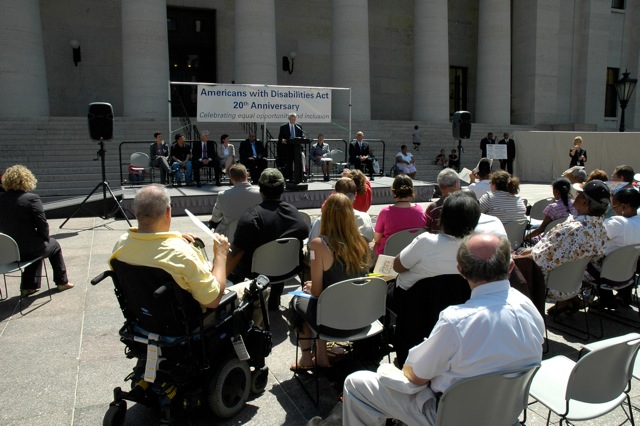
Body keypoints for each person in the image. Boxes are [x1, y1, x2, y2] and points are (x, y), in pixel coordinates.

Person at [342, 233, 545, 426]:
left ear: (461, 270)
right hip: (506, 412)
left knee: (356, 383)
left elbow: (415, 375)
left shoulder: (456, 320)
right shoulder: (528, 308)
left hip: (450, 416)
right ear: (510, 267)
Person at [291, 193, 371, 370]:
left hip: (333, 322)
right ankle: (321, 356)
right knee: (322, 302)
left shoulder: (319, 245)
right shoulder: (363, 242)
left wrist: (312, 287)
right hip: (362, 318)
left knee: (297, 300)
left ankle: (306, 358)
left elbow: (317, 292)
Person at [516, 180, 610, 312]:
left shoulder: (570, 230)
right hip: (576, 283)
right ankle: (568, 302)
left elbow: (540, 260)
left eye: (579, 193)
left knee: (512, 266)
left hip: (553, 286)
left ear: (585, 202)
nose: (575, 195)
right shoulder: (601, 227)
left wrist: (516, 256)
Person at [226, 168, 310, 309]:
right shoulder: (294, 213)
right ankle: (274, 296)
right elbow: (304, 232)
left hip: (255, 272)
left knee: (235, 260)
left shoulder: (251, 217)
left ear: (260, 189)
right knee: (279, 256)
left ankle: (236, 302)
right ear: (282, 188)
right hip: (287, 269)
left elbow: (235, 252)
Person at [0, 165, 74, 296]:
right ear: (27, 180)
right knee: (53, 245)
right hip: (28, 251)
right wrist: (44, 239)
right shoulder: (31, 199)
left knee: (33, 245)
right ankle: (62, 282)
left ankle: (29, 286)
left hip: (6, 253)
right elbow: (42, 225)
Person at [394, 192, 480, 291]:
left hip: (413, 301)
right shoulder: (480, 247)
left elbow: (397, 267)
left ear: (443, 217)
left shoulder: (426, 241)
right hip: (460, 301)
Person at [307, 177, 374, 246]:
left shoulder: (322, 221)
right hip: (358, 255)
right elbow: (370, 239)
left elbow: (311, 247)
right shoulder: (365, 218)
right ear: (355, 194)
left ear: (334, 194)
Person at [373, 175, 426, 256]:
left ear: (393, 190)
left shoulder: (385, 212)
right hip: (412, 255)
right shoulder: (420, 210)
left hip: (389, 254)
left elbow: (377, 239)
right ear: (411, 190)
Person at [208, 164, 262, 242]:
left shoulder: (223, 195)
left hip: (231, 238)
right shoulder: (260, 193)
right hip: (254, 237)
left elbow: (215, 218)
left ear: (231, 178)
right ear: (247, 175)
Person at [524, 177, 577, 242]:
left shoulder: (553, 208)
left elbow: (541, 229)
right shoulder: (576, 204)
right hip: (571, 238)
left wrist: (525, 238)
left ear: (556, 191)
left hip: (552, 240)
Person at [424, 168, 460, 233]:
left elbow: (426, 230)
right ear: (456, 184)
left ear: (439, 186)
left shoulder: (432, 208)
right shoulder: (465, 206)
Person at [277, 112, 304, 181]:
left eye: (294, 119)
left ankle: (298, 177)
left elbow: (302, 135)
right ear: (289, 119)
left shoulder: (299, 126)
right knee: (289, 163)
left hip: (296, 148)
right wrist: (282, 140)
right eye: (292, 119)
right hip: (288, 148)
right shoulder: (283, 127)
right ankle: (289, 178)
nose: (293, 121)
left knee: (298, 162)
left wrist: (301, 138)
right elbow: (280, 138)